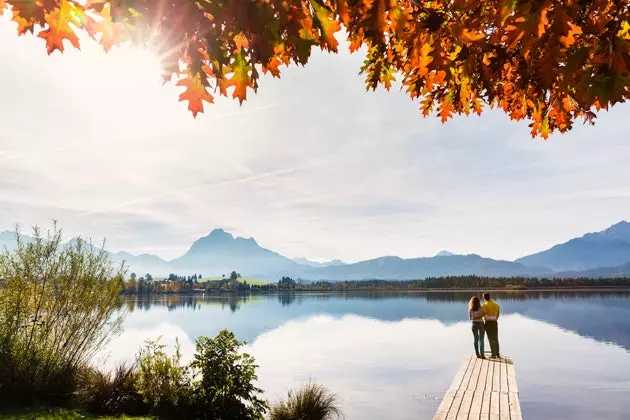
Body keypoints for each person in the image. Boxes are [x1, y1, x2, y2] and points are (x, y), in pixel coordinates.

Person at [482, 292, 501, 358]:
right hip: (495, 322)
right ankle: (497, 353)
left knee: (490, 339)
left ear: (484, 298)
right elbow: (498, 314)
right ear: (490, 297)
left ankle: (493, 354)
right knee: (495, 338)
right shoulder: (496, 305)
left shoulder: (484, 305)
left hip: (488, 323)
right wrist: (495, 319)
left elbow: (483, 315)